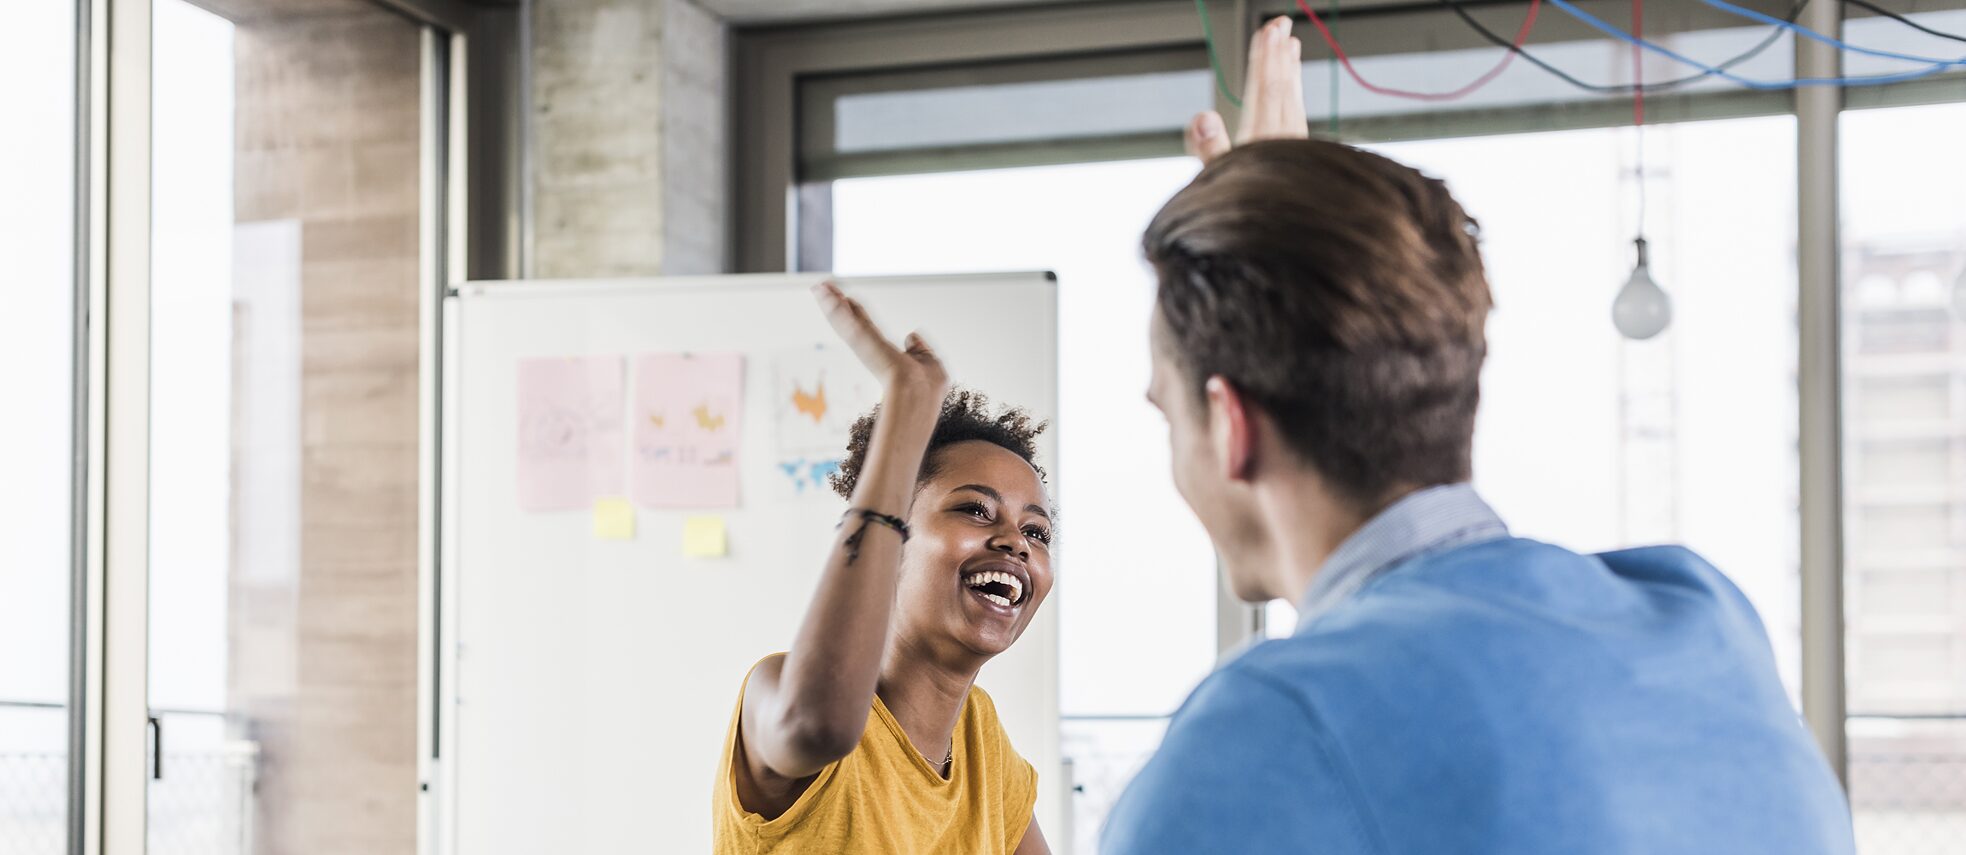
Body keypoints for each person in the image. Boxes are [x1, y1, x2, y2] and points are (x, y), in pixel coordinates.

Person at [1099, 15, 1857, 855]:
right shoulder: (1702, 623)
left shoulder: (1252, 743)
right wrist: (1285, 242)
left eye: (1166, 411)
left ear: (1231, 425)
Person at [711, 281, 1054, 854]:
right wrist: (906, 413)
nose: (1015, 543)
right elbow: (818, 726)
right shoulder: (777, 690)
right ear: (892, 539)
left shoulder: (982, 742)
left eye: (1037, 532)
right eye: (975, 509)